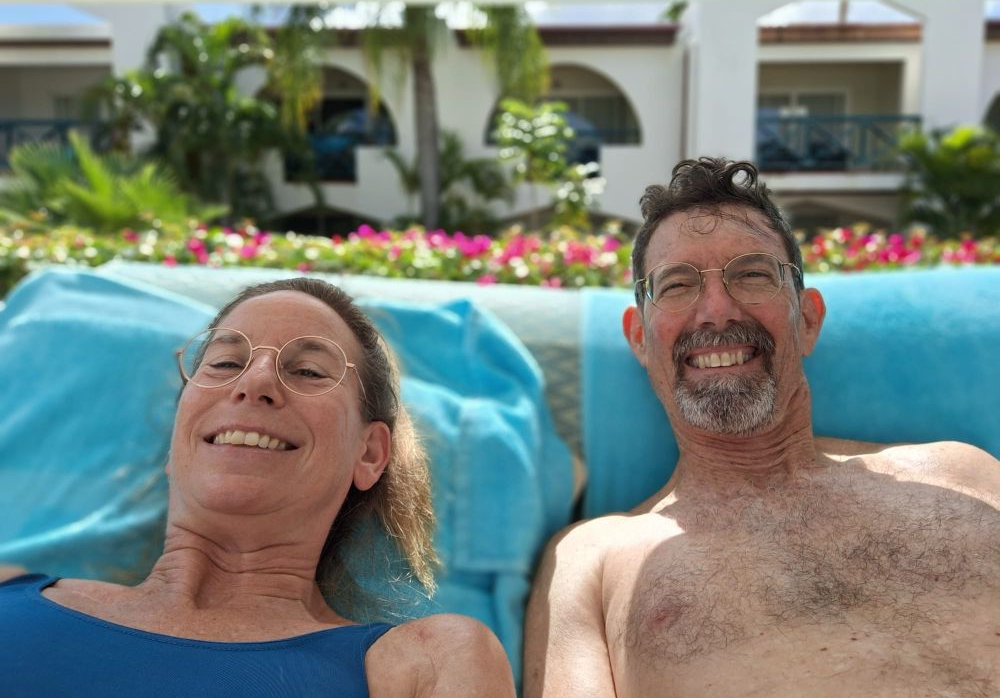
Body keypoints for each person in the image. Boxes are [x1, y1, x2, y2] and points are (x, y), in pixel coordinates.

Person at [524, 157, 1000, 697]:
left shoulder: (963, 474)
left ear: (808, 319)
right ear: (639, 339)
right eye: (676, 285)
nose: (717, 310)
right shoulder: (592, 560)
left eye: (751, 275)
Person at [0, 277, 514, 697]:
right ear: (179, 436)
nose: (256, 382)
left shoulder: (425, 663)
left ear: (369, 454)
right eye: (225, 362)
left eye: (309, 371)